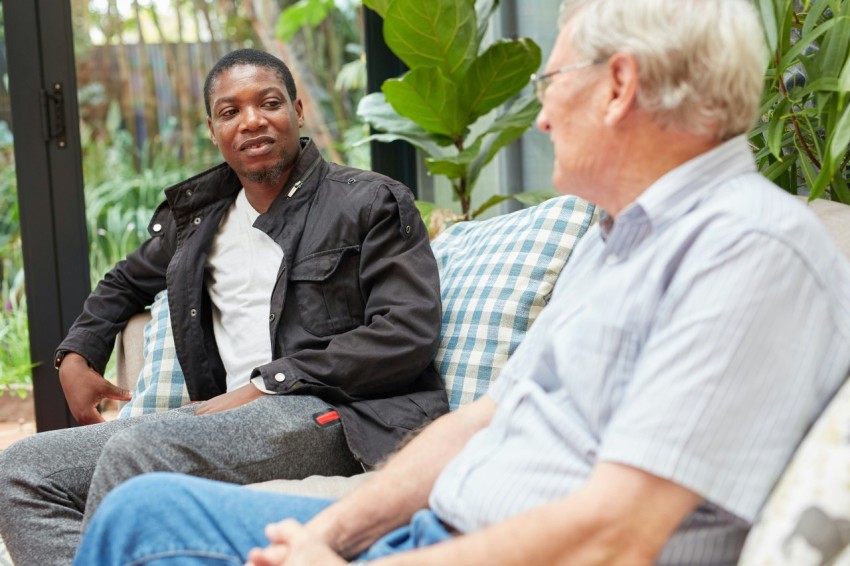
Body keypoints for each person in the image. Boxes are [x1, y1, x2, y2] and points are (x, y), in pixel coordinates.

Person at [75, 0, 850, 564]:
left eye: (551, 81)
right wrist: (330, 536)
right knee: (144, 511)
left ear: (617, 87)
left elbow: (617, 532)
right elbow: (486, 416)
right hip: (436, 534)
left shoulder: (748, 251)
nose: (541, 116)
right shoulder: (616, 239)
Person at [0, 48, 449, 566]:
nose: (252, 120)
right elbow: (123, 281)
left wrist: (266, 385)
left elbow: (406, 332)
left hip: (340, 414)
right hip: (216, 422)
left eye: (269, 103)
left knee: (144, 449)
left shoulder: (370, 202)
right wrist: (77, 353)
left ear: (298, 111)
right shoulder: (199, 223)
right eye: (230, 111)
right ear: (212, 130)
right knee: (22, 469)